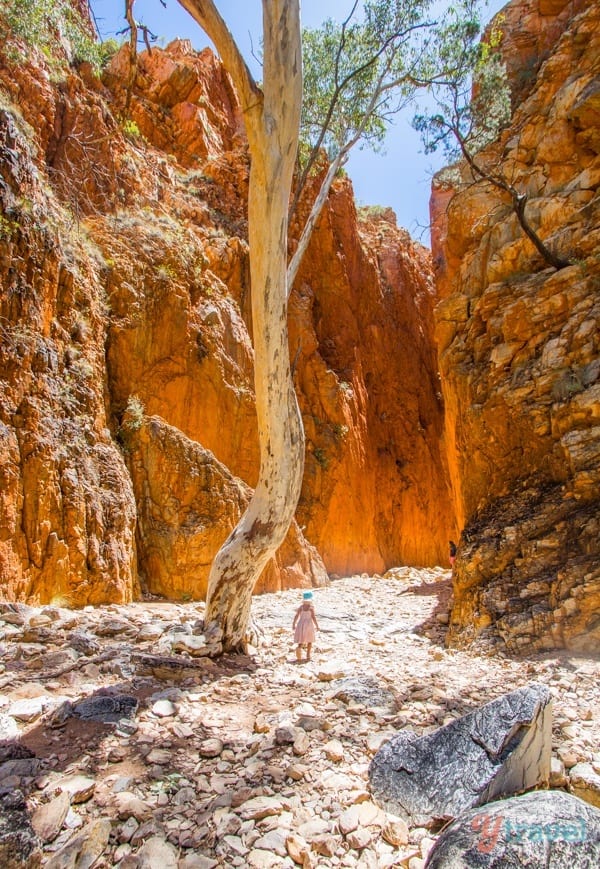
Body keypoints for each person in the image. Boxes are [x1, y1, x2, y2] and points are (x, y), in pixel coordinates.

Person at [292, 590, 320, 662]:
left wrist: (294, 624)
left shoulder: (301, 607)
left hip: (301, 624)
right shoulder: (311, 608)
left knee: (301, 640)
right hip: (309, 625)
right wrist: (317, 626)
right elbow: (313, 617)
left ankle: (299, 657)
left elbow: (296, 616)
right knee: (309, 640)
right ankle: (308, 656)